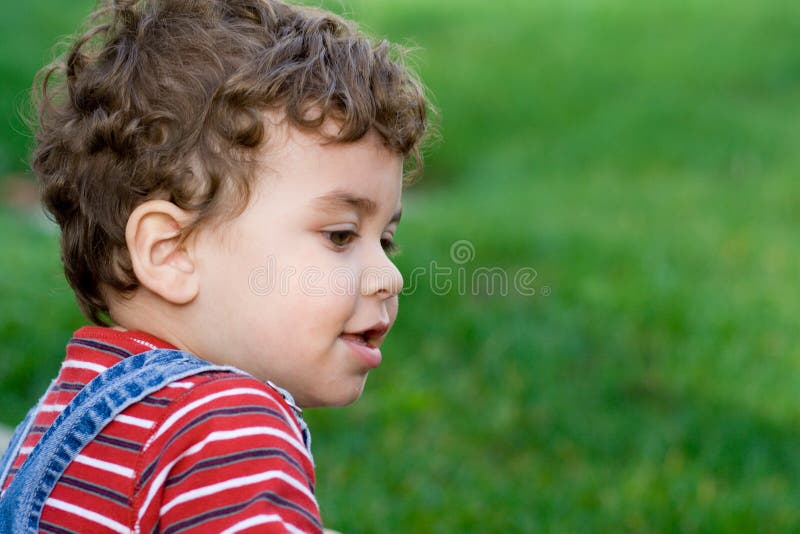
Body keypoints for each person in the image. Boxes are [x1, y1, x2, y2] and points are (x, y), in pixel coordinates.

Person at [0, 0, 430, 531]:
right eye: (340, 235)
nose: (389, 276)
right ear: (171, 252)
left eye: (385, 239)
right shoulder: (230, 427)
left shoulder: (54, 420)